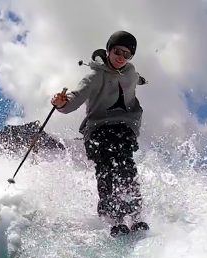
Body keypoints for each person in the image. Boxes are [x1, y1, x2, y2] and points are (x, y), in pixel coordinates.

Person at [51, 30, 149, 237]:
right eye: (117, 51)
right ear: (108, 50)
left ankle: (136, 213)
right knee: (106, 168)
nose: (121, 57)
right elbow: (75, 97)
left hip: (124, 126)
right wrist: (62, 103)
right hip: (98, 129)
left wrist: (142, 81)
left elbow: (136, 78)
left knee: (125, 166)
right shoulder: (95, 76)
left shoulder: (130, 72)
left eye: (127, 54)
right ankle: (114, 216)